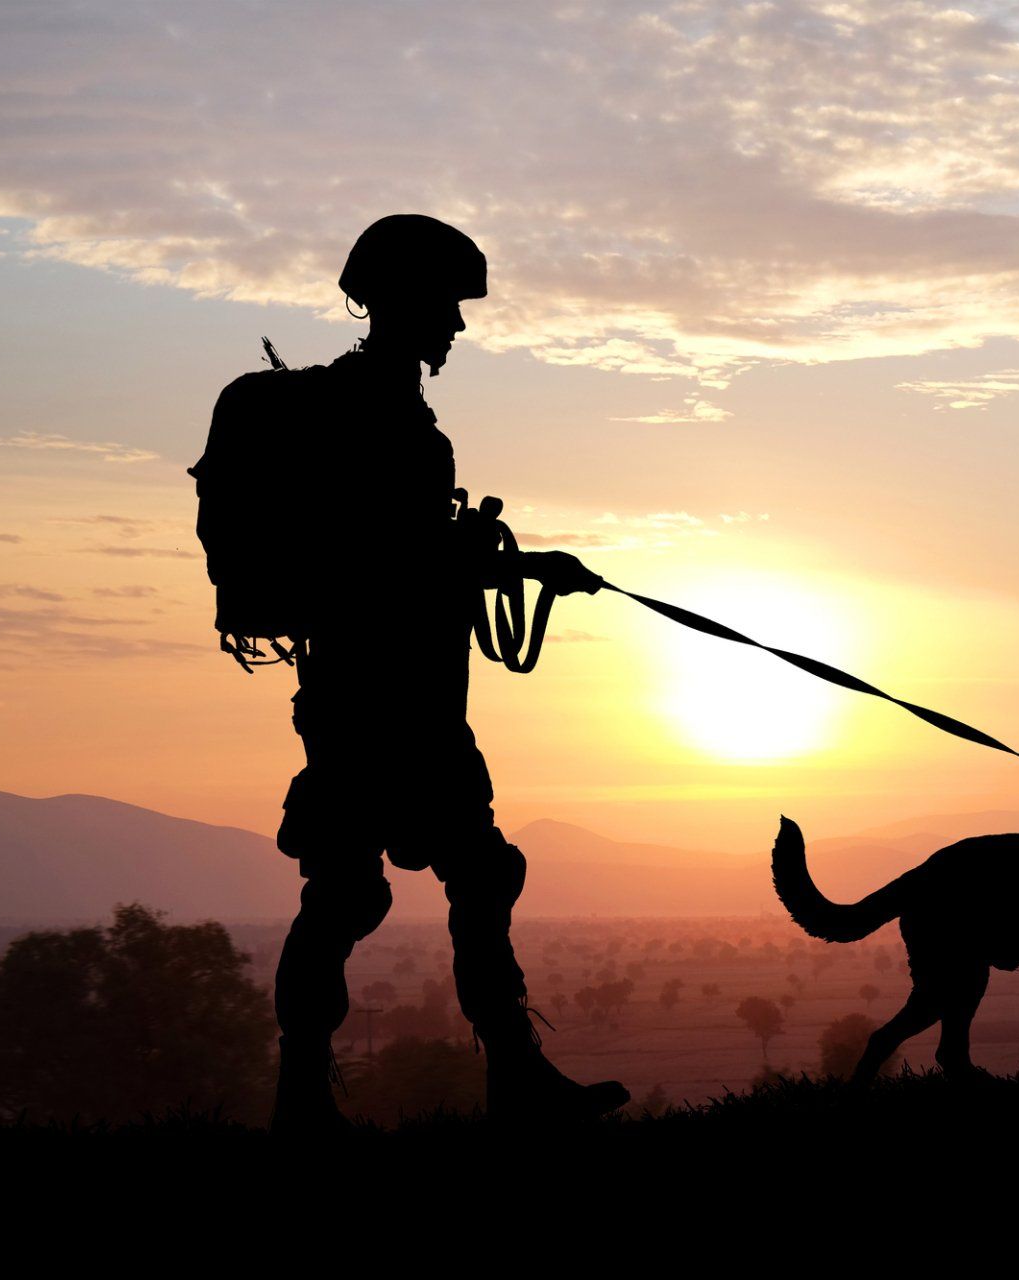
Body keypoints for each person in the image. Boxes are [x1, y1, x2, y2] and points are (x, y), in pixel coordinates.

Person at [200, 214, 627, 1133]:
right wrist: (508, 563)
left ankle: (310, 1101)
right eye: (448, 305)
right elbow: (391, 567)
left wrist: (507, 562)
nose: (458, 328)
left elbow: (400, 559)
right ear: (400, 300)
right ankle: (500, 1084)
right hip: (393, 703)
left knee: (361, 890)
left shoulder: (384, 411)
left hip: (366, 700)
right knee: (457, 875)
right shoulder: (376, 419)